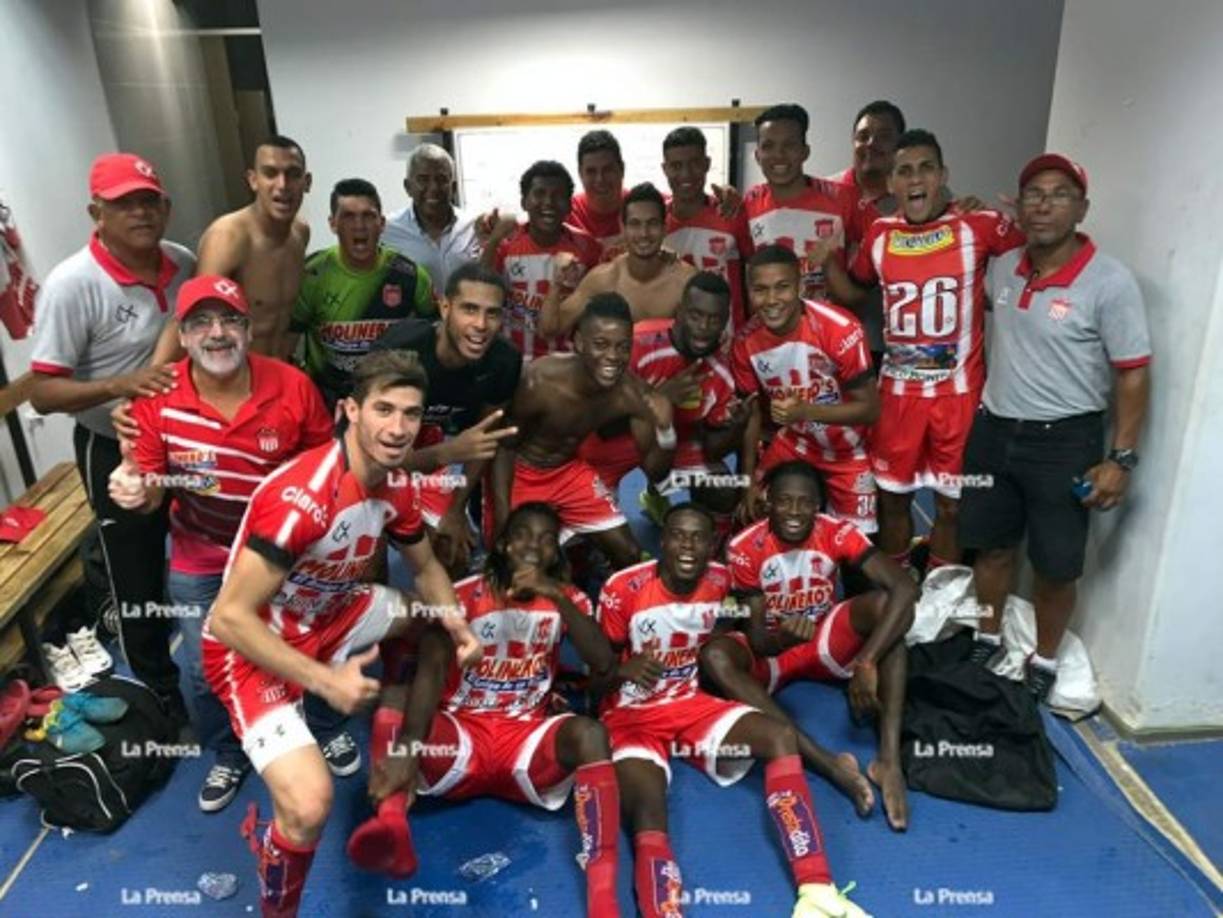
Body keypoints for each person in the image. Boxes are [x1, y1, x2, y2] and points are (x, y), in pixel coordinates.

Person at [202, 349, 480, 917]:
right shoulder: (302, 498)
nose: (398, 428)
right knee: (309, 805)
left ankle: (391, 723)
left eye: (410, 413)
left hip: (332, 613)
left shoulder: (397, 484)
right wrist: (326, 684)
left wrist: (457, 625)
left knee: (421, 618)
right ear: (349, 410)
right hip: (257, 645)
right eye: (383, 409)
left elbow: (425, 568)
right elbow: (229, 618)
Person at [108, 275, 338, 812]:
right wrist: (133, 489)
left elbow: (324, 466)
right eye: (201, 323)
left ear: (248, 329)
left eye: (229, 320)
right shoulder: (157, 398)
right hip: (201, 551)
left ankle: (320, 727)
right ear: (183, 336)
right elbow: (146, 489)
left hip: (284, 550)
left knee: (307, 641)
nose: (217, 334)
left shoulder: (292, 385)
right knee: (202, 666)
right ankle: (229, 753)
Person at [348, 503, 622, 917]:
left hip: (526, 747)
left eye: (548, 540)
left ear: (556, 554)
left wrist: (554, 594)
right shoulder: (462, 595)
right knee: (395, 697)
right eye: (524, 535)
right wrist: (406, 751)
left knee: (590, 734)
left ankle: (603, 896)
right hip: (459, 742)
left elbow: (603, 663)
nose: (534, 546)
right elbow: (430, 662)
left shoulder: (570, 599)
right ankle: (393, 825)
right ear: (504, 544)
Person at [596, 504, 869, 918]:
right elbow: (591, 684)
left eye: (699, 537)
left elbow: (741, 639)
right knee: (649, 810)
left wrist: (783, 638)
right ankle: (662, 912)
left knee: (778, 736)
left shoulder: (722, 580)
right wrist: (620, 671)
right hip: (631, 718)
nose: (688, 546)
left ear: (713, 545)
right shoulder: (622, 589)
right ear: (662, 541)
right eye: (678, 536)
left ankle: (816, 891)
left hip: (690, 705)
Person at [959, 154, 1151, 702]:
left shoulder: (1109, 282)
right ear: (1018, 206)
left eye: (1059, 193)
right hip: (994, 429)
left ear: (1082, 208)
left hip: (1064, 441)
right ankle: (985, 634)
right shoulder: (1002, 266)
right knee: (991, 550)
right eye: (1033, 194)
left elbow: (1133, 375)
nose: (1044, 204)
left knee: (1055, 564)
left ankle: (1044, 657)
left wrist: (1121, 458)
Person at [29, 152, 194, 720]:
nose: (142, 212)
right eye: (126, 203)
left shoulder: (183, 261)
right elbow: (43, 393)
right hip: (114, 449)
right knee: (138, 574)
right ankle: (160, 695)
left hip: (188, 441)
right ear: (95, 211)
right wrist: (123, 385)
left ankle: (224, 665)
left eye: (150, 201)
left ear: (166, 207)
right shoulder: (72, 284)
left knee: (207, 552)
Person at [820, 129, 1026, 575]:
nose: (915, 179)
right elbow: (856, 289)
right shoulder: (879, 234)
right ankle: (902, 590)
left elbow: (1037, 260)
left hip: (960, 398)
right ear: (892, 183)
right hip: (897, 398)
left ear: (943, 176)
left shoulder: (981, 225)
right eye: (904, 171)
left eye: (926, 168)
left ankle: (939, 594)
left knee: (953, 508)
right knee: (893, 500)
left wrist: (1020, 216)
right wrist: (827, 262)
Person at [705, 461, 917, 830]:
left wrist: (866, 662)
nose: (794, 512)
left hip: (824, 640)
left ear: (819, 506)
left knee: (891, 614)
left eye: (805, 503)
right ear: (768, 501)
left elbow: (904, 587)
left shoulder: (836, 532)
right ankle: (829, 763)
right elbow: (757, 641)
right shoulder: (744, 548)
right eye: (784, 501)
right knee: (715, 655)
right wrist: (783, 637)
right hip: (772, 652)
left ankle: (889, 759)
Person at [494, 294, 676, 570]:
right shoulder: (539, 381)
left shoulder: (632, 394)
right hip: (520, 473)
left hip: (568, 472)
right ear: (579, 342)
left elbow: (657, 474)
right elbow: (504, 446)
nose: (613, 357)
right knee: (520, 568)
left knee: (628, 553)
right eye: (601, 344)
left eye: (623, 347)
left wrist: (665, 430)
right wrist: (502, 514)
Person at [577, 273, 752, 544]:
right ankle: (645, 497)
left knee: (724, 487)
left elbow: (712, 449)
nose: (704, 327)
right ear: (679, 312)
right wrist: (660, 399)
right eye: (695, 315)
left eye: (714, 319)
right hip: (612, 444)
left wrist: (737, 427)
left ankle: (710, 551)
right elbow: (600, 424)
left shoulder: (722, 371)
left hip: (676, 446)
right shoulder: (634, 344)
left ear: (725, 321)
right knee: (597, 538)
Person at [372, 261, 522, 576]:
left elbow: (482, 443)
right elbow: (370, 458)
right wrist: (446, 453)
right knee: (369, 569)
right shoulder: (401, 350)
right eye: (469, 309)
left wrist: (456, 509)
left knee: (453, 558)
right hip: (379, 464)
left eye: (492, 313)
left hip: (438, 459)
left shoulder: (504, 361)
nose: (481, 324)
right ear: (444, 308)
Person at [731, 246, 879, 536]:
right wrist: (749, 481)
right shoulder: (744, 343)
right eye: (760, 290)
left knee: (856, 547)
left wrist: (805, 411)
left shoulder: (840, 329)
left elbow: (871, 410)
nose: (771, 300)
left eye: (782, 287)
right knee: (751, 515)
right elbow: (751, 417)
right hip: (796, 443)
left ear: (799, 286)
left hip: (850, 450)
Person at [152, 136, 312, 361]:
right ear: (253, 180)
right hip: (238, 380)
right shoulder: (228, 236)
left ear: (307, 182)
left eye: (293, 174)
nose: (283, 185)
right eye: (270, 173)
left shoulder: (300, 233)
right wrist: (153, 381)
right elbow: (191, 313)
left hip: (282, 372)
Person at [290, 178, 435, 407]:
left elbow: (435, 340)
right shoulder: (311, 274)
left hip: (391, 398)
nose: (359, 225)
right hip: (327, 398)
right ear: (333, 224)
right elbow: (287, 344)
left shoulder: (411, 275)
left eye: (368, 216)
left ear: (382, 223)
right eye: (348, 216)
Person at [743, 104, 873, 303]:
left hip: (829, 328)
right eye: (768, 146)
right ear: (757, 155)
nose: (779, 154)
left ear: (805, 151)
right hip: (770, 327)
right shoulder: (748, 205)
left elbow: (885, 241)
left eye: (789, 145)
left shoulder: (843, 198)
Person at [480, 160, 601, 361]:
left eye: (558, 195)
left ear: (570, 204)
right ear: (524, 202)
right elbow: (479, 288)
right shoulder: (506, 243)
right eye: (539, 194)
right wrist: (493, 240)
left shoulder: (587, 247)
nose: (548, 202)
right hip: (512, 360)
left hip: (567, 362)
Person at [539, 183, 696, 337]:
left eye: (652, 224)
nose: (644, 233)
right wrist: (556, 282)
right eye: (635, 224)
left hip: (667, 361)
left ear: (664, 228)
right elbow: (551, 329)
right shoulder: (604, 279)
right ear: (623, 228)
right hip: (615, 362)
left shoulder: (685, 281)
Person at [828, 101, 906, 367]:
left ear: (899, 145)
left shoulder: (916, 197)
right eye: (863, 136)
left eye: (883, 137)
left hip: (893, 344)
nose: (871, 144)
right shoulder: (827, 192)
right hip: (831, 340)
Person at [661, 126, 754, 331]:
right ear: (665, 169)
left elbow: (754, 275)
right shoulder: (655, 224)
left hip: (728, 340)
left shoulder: (731, 213)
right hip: (677, 340)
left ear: (707, 164)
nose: (686, 174)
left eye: (694, 163)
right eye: (676, 166)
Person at [382, 143, 485, 298]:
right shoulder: (386, 231)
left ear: (454, 187)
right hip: (414, 321)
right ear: (408, 187)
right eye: (423, 179)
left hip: (467, 320)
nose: (434, 187)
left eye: (442, 179)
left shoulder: (473, 227)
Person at [568, 130, 628, 256]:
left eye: (607, 170)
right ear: (580, 174)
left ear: (622, 169)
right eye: (591, 171)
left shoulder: (644, 205)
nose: (600, 179)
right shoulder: (566, 212)